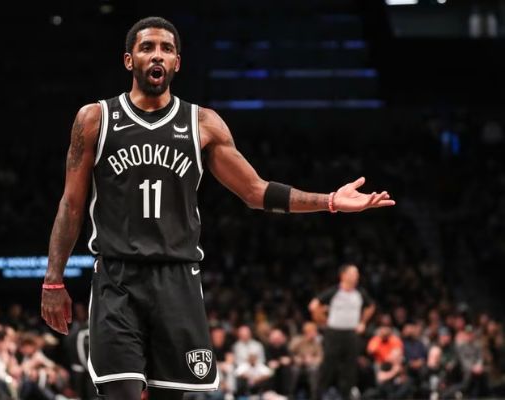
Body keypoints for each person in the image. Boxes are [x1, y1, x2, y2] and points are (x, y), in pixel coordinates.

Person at [40, 16, 394, 400]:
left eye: (166, 49)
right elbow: (71, 205)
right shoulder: (95, 119)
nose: (156, 55)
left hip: (176, 279)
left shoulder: (203, 123)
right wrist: (53, 278)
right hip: (117, 278)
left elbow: (255, 191)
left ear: (178, 62)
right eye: (146, 48)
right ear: (129, 60)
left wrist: (328, 201)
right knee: (120, 393)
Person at [309, 264, 376, 399]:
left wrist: (362, 322)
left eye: (357, 274)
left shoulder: (360, 292)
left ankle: (346, 396)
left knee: (350, 368)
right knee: (328, 367)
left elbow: (371, 306)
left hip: (351, 333)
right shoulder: (334, 291)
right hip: (334, 333)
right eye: (353, 273)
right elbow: (313, 305)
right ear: (343, 275)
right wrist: (323, 321)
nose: (356, 276)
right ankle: (317, 396)